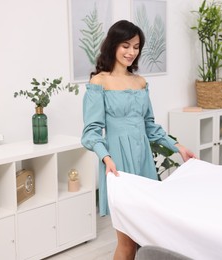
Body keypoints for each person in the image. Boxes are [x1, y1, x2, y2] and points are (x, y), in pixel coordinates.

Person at [81, 20, 196, 260]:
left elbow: (150, 126)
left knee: (145, 236)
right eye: (126, 45)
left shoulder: (140, 82)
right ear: (112, 45)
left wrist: (178, 147)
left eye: (136, 47)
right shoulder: (99, 82)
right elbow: (91, 132)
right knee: (127, 241)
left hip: (143, 160)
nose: (131, 52)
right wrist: (106, 157)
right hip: (118, 164)